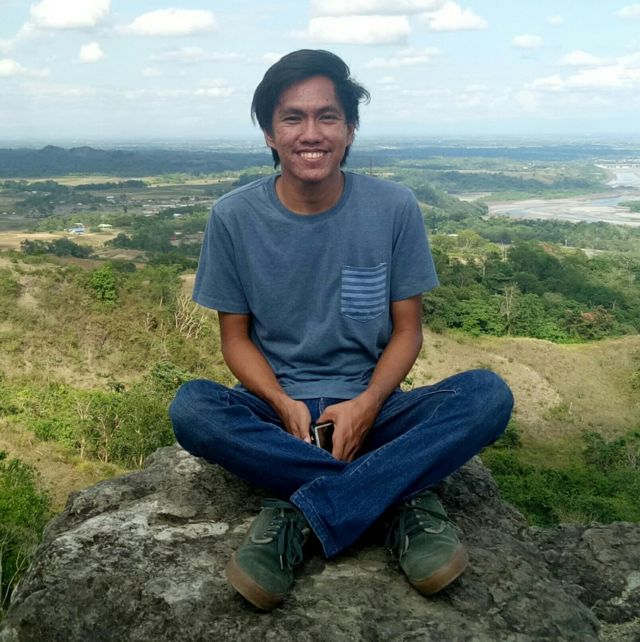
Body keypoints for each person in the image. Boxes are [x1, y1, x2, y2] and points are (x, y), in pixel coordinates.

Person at [169, 49, 514, 611]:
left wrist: (368, 405)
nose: (311, 133)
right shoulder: (233, 217)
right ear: (269, 134)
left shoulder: (393, 207)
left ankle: (306, 510)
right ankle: (393, 494)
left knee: (487, 395)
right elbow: (235, 339)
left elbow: (407, 331)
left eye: (327, 116)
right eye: (293, 117)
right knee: (193, 409)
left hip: (375, 410)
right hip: (277, 416)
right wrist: (282, 402)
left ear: (350, 129)